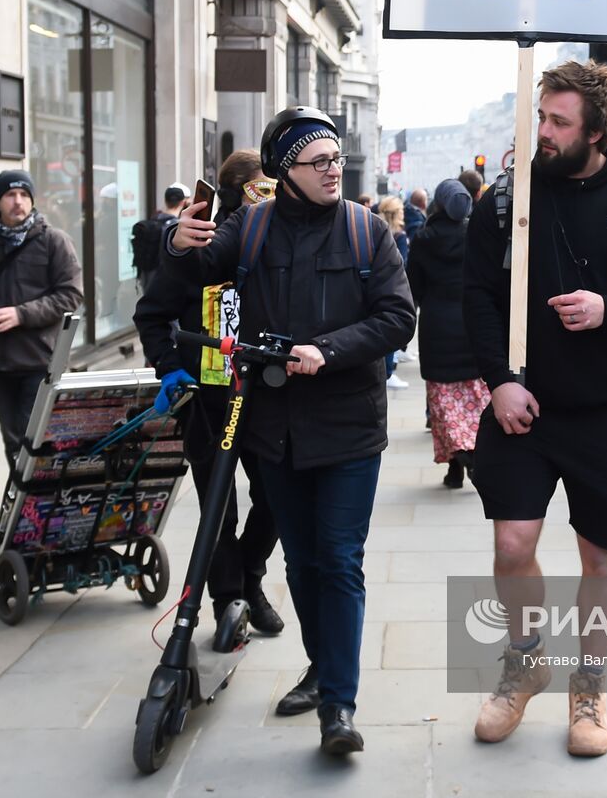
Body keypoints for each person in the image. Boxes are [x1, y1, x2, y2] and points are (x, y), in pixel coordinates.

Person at [164, 106, 415, 755]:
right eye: (318, 161)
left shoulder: (365, 232)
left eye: (335, 158)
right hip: (272, 431)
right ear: (285, 172)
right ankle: (322, 666)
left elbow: (396, 318)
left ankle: (339, 705)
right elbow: (192, 278)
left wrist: (326, 350)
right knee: (301, 563)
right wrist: (176, 243)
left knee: (338, 561)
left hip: (348, 431)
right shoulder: (247, 229)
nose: (333, 169)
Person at [463, 60, 607, 758]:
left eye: (558, 122)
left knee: (599, 555)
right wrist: (498, 380)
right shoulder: (506, 199)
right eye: (541, 117)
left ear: (596, 131)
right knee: (512, 544)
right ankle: (524, 660)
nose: (543, 132)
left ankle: (588, 686)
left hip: (604, 409)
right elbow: (472, 296)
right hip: (521, 408)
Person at [133, 150, 283, 646]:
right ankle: (228, 600)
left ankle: (250, 580)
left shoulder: (278, 245)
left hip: (268, 400)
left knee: (277, 499)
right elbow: (152, 313)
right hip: (209, 400)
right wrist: (170, 368)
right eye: (263, 189)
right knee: (217, 504)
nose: (272, 198)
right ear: (240, 196)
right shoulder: (201, 248)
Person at [0, 170, 84, 469]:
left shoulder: (55, 241)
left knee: (33, 436)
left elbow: (70, 295)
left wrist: (20, 314)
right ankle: (20, 497)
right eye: (10, 195)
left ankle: (34, 500)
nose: (18, 201)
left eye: (24, 195)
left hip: (38, 359)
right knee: (12, 439)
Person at [407, 179, 489, 489]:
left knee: (442, 403)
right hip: (473, 323)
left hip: (437, 326)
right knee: (474, 400)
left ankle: (456, 466)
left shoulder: (424, 238)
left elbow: (412, 287)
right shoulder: (478, 236)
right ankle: (472, 453)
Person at [377, 196, 411, 391]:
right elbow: (402, 266)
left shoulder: (374, 228)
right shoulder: (399, 236)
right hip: (392, 287)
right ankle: (388, 372)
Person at [132, 182, 189, 293]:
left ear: (166, 200)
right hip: (165, 286)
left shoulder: (153, 221)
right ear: (183, 203)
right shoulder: (177, 228)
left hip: (147, 280)